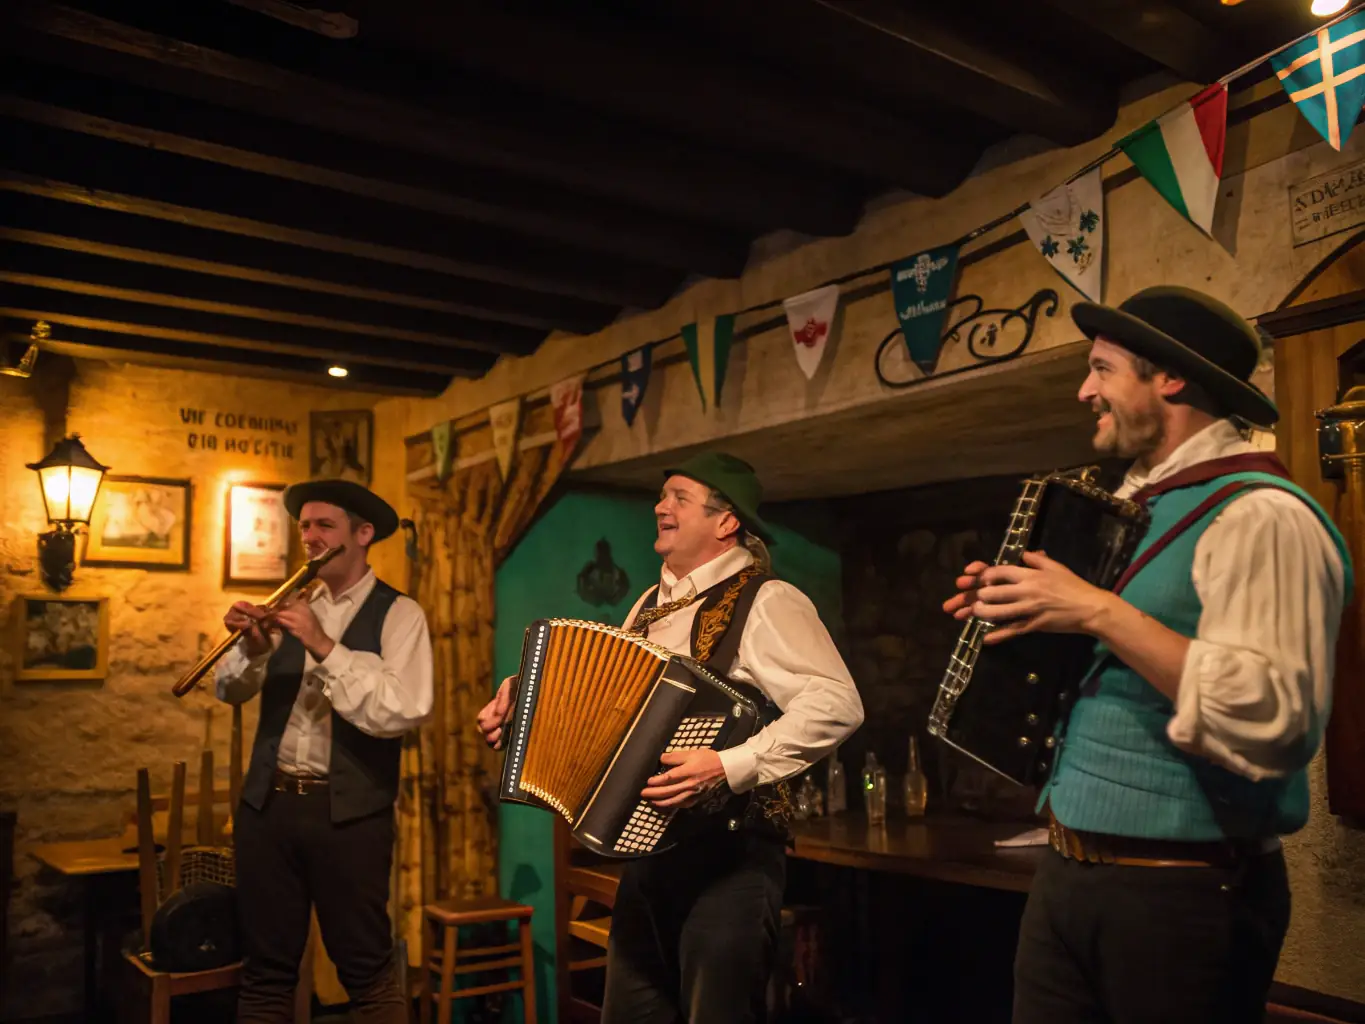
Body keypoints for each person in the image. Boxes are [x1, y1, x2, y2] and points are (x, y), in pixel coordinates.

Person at [942, 286, 1352, 1024]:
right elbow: (1116, 650)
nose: (1083, 390)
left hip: (1181, 895)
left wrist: (1095, 610)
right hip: (1067, 872)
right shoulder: (1132, 507)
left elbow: (1278, 720)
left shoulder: (1264, 516)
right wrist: (1024, 603)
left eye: (1100, 369)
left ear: (1167, 377)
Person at [478, 452, 864, 1024]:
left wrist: (730, 764)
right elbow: (614, 702)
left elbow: (837, 703)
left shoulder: (769, 600)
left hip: (729, 859)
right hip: (647, 857)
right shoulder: (650, 604)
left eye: (680, 497)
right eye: (663, 497)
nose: (661, 506)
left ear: (726, 521)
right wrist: (526, 698)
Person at [217, 479, 433, 1024]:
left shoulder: (400, 614)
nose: (310, 537)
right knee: (265, 971)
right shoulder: (287, 602)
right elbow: (229, 690)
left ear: (362, 535)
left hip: (351, 816)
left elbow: (403, 710)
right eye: (305, 526)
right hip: (268, 808)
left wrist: (324, 646)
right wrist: (252, 649)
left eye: (324, 526)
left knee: (365, 970)